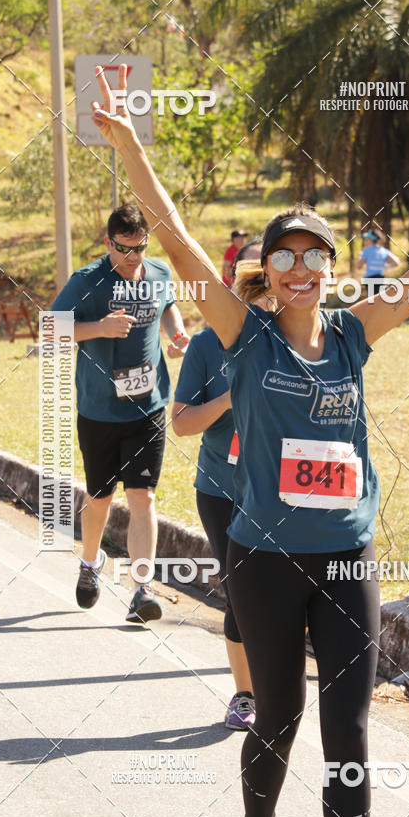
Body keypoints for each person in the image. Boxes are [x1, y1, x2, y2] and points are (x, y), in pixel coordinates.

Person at [91, 66, 409, 817]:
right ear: (267, 268)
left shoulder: (354, 332)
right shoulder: (243, 334)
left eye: (316, 255)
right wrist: (132, 148)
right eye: (285, 255)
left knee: (348, 732)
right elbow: (174, 237)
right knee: (278, 717)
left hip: (347, 555)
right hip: (265, 559)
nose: (301, 268)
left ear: (332, 267)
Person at [51, 203, 190, 623]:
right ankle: (90, 562)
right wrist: (99, 328)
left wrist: (177, 334)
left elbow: (167, 306)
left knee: (143, 497)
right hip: (100, 412)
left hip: (148, 407)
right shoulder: (88, 281)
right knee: (100, 498)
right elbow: (51, 327)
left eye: (139, 248)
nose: (132, 257)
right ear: (108, 242)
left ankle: (142, 589)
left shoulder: (159, 273)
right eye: (124, 249)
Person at [171, 240, 263, 732]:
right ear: (232, 280)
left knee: (289, 594)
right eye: (251, 272)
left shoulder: (298, 338)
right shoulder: (207, 345)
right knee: (242, 593)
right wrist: (229, 399)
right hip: (223, 490)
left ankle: (276, 683)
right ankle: (246, 695)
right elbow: (181, 422)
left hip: (285, 492)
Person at [356, 229, 400, 295]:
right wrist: (387, 266)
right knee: (380, 299)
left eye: (367, 239)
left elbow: (358, 266)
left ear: (370, 240)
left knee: (372, 299)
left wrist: (359, 256)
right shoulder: (384, 251)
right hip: (380, 279)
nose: (366, 241)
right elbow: (396, 262)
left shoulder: (366, 251)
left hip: (369, 279)